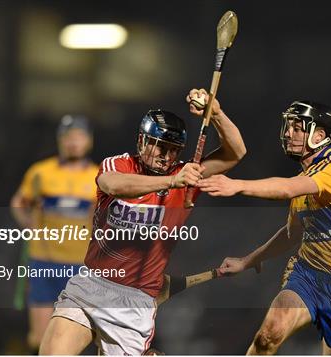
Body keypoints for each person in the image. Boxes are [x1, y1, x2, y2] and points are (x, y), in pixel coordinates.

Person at [39, 88, 246, 355]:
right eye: (159, 145)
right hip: (91, 285)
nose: (166, 155)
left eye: (173, 150)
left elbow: (236, 152)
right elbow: (114, 185)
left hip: (134, 303)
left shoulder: (186, 175)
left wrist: (216, 113)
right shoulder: (119, 165)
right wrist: (172, 180)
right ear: (142, 141)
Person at [198, 101, 331, 354]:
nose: (288, 133)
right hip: (308, 275)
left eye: (298, 128)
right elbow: (292, 234)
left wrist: (237, 185)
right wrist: (247, 261)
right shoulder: (305, 179)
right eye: (288, 126)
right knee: (268, 335)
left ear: (319, 135)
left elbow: (287, 188)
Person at [10, 115, 97, 353]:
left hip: (79, 267)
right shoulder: (40, 172)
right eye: (68, 137)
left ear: (89, 141)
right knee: (39, 338)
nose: (73, 142)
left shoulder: (99, 177)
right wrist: (27, 222)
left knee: (75, 338)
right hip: (43, 262)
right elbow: (19, 202)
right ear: (60, 140)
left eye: (79, 136)